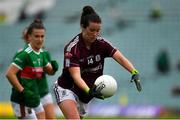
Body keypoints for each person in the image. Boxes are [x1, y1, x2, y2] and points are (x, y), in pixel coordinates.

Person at [53, 5, 142, 119]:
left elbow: (120, 58)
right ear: (83, 27)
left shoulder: (102, 44)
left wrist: (134, 71)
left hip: (85, 95)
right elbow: (76, 77)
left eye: (98, 30)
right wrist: (88, 90)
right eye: (92, 30)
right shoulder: (72, 48)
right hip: (67, 89)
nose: (95, 34)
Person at [6, 19, 58, 119]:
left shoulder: (41, 53)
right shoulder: (24, 54)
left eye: (42, 36)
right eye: (37, 36)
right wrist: (22, 91)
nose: (40, 39)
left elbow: (50, 70)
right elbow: (9, 74)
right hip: (22, 99)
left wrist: (54, 69)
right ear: (29, 37)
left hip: (35, 96)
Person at [22, 27, 56, 119]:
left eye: (41, 36)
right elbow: (14, 74)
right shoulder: (22, 54)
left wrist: (52, 69)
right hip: (30, 94)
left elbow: (50, 72)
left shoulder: (44, 53)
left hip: (43, 92)